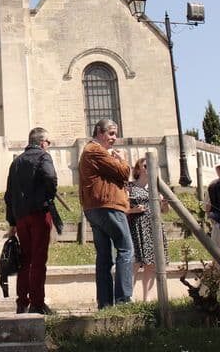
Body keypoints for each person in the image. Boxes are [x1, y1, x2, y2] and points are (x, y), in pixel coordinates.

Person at [78, 118, 134, 308]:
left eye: (115, 133)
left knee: (104, 257)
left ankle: (105, 303)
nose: (114, 138)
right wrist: (121, 159)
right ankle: (123, 300)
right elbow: (124, 173)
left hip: (95, 207)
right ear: (99, 133)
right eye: (111, 133)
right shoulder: (95, 150)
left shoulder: (90, 151)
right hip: (107, 205)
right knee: (126, 249)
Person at [4, 127, 58, 314]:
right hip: (38, 213)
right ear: (42, 142)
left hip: (21, 217)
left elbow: (8, 194)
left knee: (25, 260)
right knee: (38, 259)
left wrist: (12, 222)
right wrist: (48, 195)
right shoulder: (43, 157)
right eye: (48, 143)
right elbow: (50, 177)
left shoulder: (16, 161)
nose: (48, 146)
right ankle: (37, 302)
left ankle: (22, 302)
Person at [127, 157, 168, 302]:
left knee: (152, 263)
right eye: (146, 165)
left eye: (152, 166)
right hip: (137, 227)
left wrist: (164, 203)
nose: (149, 168)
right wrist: (133, 210)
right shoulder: (130, 187)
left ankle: (147, 298)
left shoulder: (156, 188)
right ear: (138, 169)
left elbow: (165, 211)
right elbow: (122, 208)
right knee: (135, 262)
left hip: (153, 227)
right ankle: (128, 296)